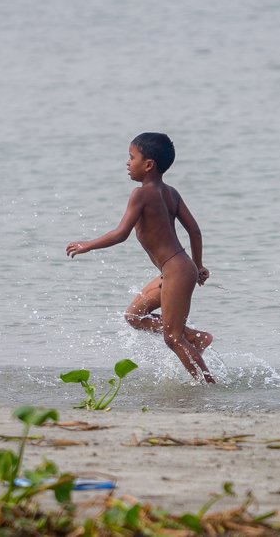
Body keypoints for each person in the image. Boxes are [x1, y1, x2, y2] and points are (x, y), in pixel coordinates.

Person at [66, 132, 215, 383]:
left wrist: (87, 245)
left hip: (177, 271)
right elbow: (195, 230)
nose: (127, 162)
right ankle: (196, 338)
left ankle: (209, 385)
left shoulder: (140, 194)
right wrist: (197, 265)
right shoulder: (171, 193)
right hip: (176, 269)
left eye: (131, 157)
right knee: (134, 317)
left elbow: (121, 233)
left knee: (172, 338)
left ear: (148, 165)